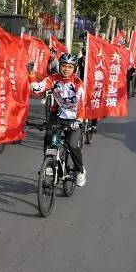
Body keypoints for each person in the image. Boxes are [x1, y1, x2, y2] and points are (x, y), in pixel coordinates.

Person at [28, 54, 87, 187]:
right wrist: (31, 73)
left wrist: (79, 120)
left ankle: (80, 170)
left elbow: (82, 103)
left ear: (75, 69)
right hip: (58, 116)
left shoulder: (78, 83)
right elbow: (37, 88)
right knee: (49, 137)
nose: (66, 69)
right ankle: (49, 163)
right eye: (64, 66)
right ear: (60, 67)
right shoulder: (53, 79)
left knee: (72, 145)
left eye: (70, 67)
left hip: (75, 118)